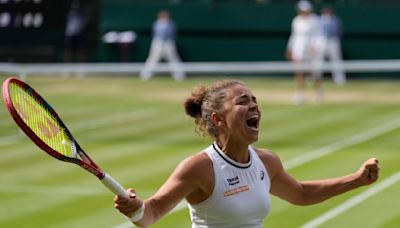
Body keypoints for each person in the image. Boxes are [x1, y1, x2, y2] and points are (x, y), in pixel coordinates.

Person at [114, 80, 380, 228]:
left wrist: (357, 179)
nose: (253, 105)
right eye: (242, 101)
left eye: (254, 100)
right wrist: (135, 209)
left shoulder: (266, 161)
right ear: (218, 119)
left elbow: (300, 194)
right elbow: (151, 213)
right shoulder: (199, 167)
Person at [286, 0, 323, 105]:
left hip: (312, 51)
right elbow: (294, 35)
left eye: (305, 10)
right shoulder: (296, 20)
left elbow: (319, 35)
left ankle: (319, 93)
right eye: (302, 10)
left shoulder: (315, 20)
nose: (303, 12)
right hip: (299, 49)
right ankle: (300, 94)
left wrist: (316, 46)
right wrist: (290, 49)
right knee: (299, 72)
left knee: (314, 73)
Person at [139, 10, 186, 81]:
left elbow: (173, 34)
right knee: (152, 59)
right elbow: (154, 34)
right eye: (162, 16)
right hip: (158, 43)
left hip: (168, 43)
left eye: (165, 16)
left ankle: (179, 75)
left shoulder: (171, 24)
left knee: (173, 59)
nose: (164, 18)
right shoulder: (156, 24)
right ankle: (145, 75)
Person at [319, 6, 346, 85]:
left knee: (336, 60)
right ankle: (316, 77)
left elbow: (339, 32)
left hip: (333, 41)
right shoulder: (319, 20)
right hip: (322, 41)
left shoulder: (336, 20)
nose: (327, 14)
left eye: (329, 12)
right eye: (326, 12)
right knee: (318, 60)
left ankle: (339, 78)